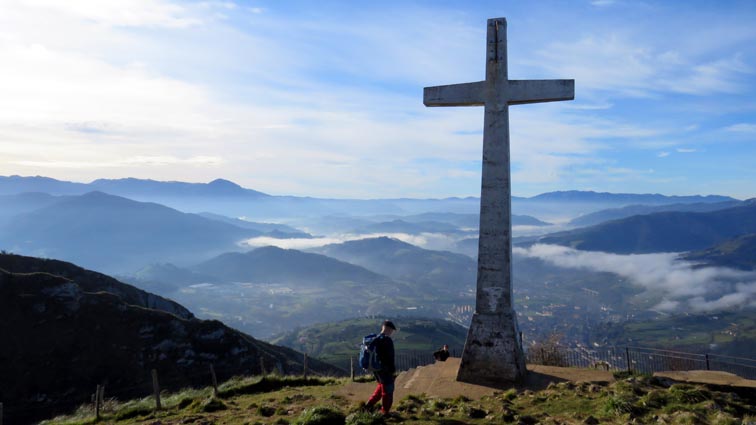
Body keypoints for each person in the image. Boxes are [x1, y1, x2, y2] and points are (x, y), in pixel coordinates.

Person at [365, 320, 396, 415]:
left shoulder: (375, 338)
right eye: (391, 330)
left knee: (381, 387)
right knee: (388, 391)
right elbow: (390, 357)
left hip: (376, 369)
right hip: (385, 369)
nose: (391, 332)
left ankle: (368, 406)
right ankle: (385, 412)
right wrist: (392, 370)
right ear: (388, 328)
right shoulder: (387, 340)